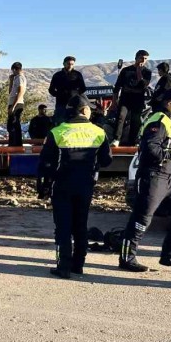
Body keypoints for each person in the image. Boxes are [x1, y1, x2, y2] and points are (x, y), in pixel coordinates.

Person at [119, 88, 171, 272]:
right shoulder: (158, 121)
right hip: (152, 176)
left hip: (168, 178)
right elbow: (151, 151)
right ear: (170, 104)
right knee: (142, 220)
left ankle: (170, 256)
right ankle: (126, 258)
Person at [37, 95, 113, 278]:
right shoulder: (99, 132)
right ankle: (78, 265)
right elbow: (106, 160)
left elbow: (45, 164)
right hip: (85, 186)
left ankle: (63, 266)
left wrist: (43, 188)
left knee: (63, 227)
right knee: (80, 225)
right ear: (85, 111)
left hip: (62, 185)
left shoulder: (57, 132)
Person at [114, 50, 153, 146]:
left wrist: (139, 72)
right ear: (136, 58)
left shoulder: (147, 72)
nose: (143, 60)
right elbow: (117, 86)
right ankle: (116, 139)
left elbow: (144, 85)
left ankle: (132, 141)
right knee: (120, 117)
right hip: (125, 98)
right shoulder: (125, 70)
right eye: (141, 58)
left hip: (138, 99)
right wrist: (114, 101)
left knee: (135, 120)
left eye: (145, 59)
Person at [48, 56, 87, 125]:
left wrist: (75, 95)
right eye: (68, 64)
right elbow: (51, 89)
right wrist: (59, 95)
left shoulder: (77, 74)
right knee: (60, 123)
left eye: (72, 64)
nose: (70, 66)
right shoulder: (57, 75)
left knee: (74, 123)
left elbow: (83, 88)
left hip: (74, 104)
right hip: (61, 104)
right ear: (64, 64)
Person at [6, 62, 27, 146]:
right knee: (12, 124)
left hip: (17, 103)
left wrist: (13, 106)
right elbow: (10, 92)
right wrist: (11, 81)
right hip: (13, 102)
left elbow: (20, 91)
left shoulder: (20, 77)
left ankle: (15, 144)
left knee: (13, 125)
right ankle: (13, 143)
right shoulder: (16, 78)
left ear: (15, 69)